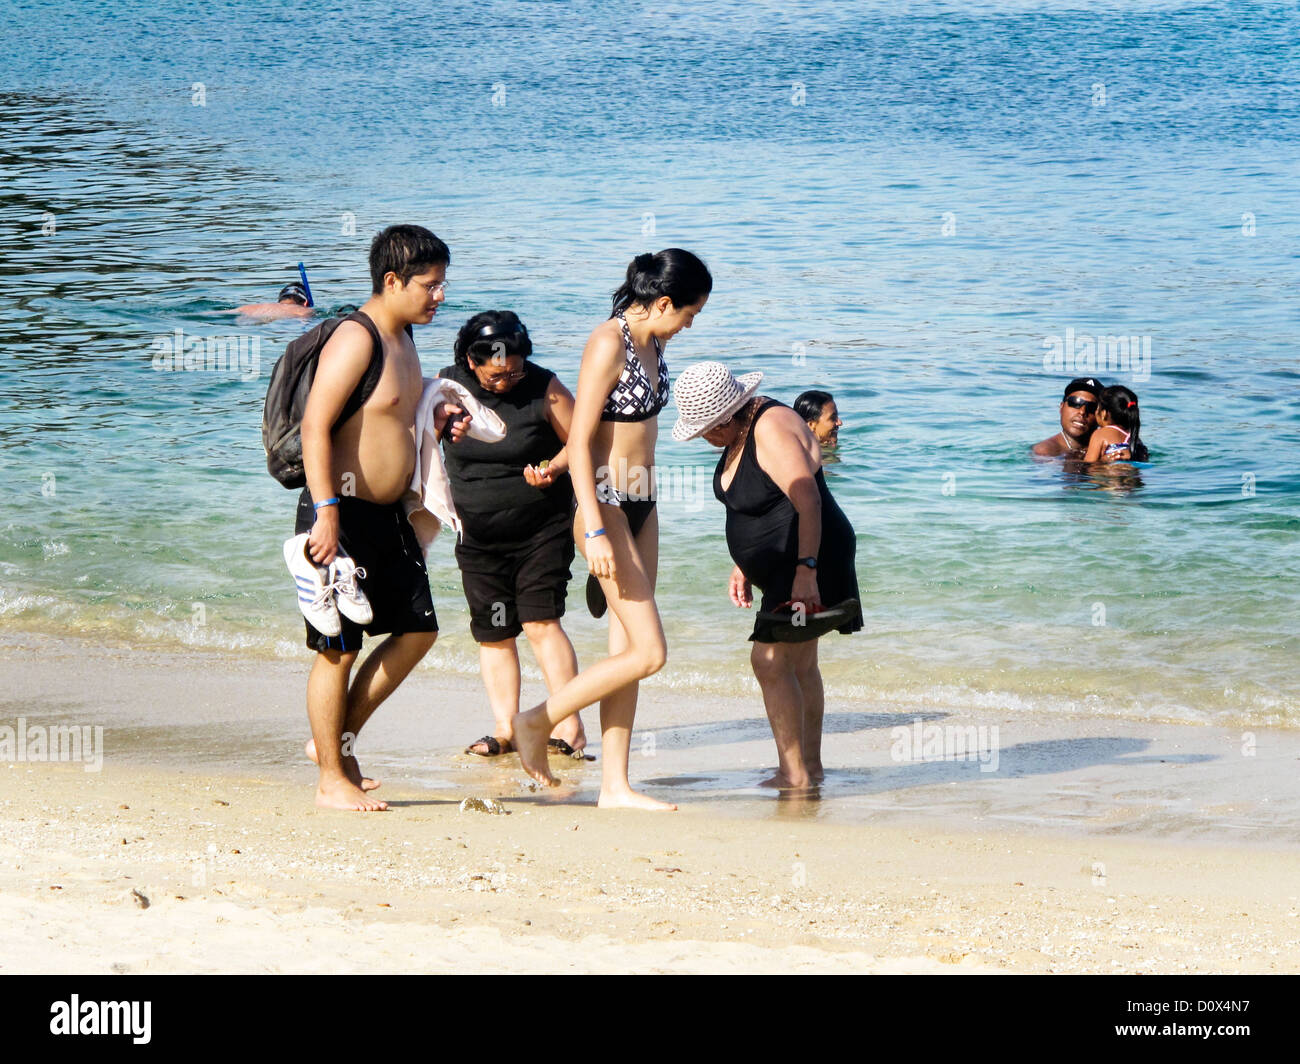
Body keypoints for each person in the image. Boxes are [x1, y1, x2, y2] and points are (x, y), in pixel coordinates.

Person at [510, 249, 713, 807]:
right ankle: (537, 720)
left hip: (645, 502)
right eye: (691, 312)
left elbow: (614, 429)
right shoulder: (609, 342)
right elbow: (580, 439)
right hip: (607, 504)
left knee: (628, 653)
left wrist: (548, 467)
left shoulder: (655, 341)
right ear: (664, 302)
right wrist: (595, 528)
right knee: (650, 651)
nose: (692, 322)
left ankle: (614, 786)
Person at [289, 225, 457, 811]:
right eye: (430, 286)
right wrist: (327, 515)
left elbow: (391, 419)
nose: (440, 296)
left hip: (388, 514)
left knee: (418, 630)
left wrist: (439, 420)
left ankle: (333, 743)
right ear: (392, 281)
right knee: (337, 646)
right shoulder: (356, 338)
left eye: (442, 285)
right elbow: (315, 426)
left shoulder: (405, 335)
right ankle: (332, 777)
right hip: (339, 512)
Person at [674, 362, 863, 791]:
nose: (704, 437)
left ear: (727, 415)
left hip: (807, 557)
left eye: (706, 428)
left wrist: (806, 572)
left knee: (769, 661)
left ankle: (793, 772)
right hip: (785, 560)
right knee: (799, 663)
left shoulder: (770, 427)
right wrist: (745, 562)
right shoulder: (744, 427)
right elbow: (763, 505)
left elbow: (808, 500)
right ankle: (808, 769)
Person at [437, 310, 589, 760]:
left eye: (516, 369)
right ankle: (506, 728)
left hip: (542, 528)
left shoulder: (544, 386)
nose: (508, 379)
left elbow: (583, 441)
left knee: (542, 622)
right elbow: (414, 436)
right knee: (494, 633)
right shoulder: (447, 387)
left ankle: (569, 726)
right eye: (498, 373)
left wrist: (555, 467)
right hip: (476, 533)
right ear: (471, 360)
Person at [1031, 377, 1105, 457]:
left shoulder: (1108, 447)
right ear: (1061, 407)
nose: (1082, 412)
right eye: (1075, 403)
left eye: (1092, 407)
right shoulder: (1045, 451)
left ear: (1102, 415)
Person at [1084, 384, 1148, 463]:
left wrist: (1102, 461)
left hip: (1111, 472)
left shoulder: (1100, 434)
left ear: (1104, 413)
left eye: (1097, 407)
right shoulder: (1136, 439)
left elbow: (1088, 465)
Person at [236, 282, 316, 321]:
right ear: (305, 303)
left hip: (247, 320)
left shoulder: (248, 308)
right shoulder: (303, 311)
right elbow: (305, 324)